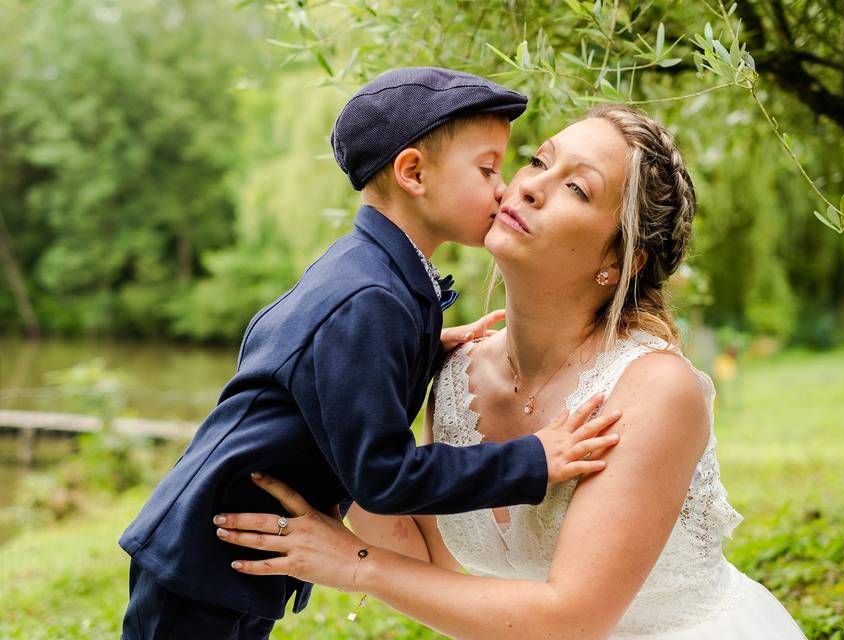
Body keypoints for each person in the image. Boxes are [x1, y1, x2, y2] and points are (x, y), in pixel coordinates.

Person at [215, 104, 809, 639]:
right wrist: (361, 380)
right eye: (537, 161)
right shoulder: (453, 373)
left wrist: (349, 565)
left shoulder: (654, 391)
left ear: (620, 261)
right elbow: (428, 562)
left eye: (576, 188)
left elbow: (571, 620)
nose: (526, 188)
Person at [118, 68, 622, 640]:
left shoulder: (374, 275)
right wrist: (534, 460)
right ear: (413, 173)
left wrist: (421, 350)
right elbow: (384, 478)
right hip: (205, 559)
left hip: (231, 552)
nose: (503, 188)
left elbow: (298, 357)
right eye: (486, 170)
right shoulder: (371, 298)